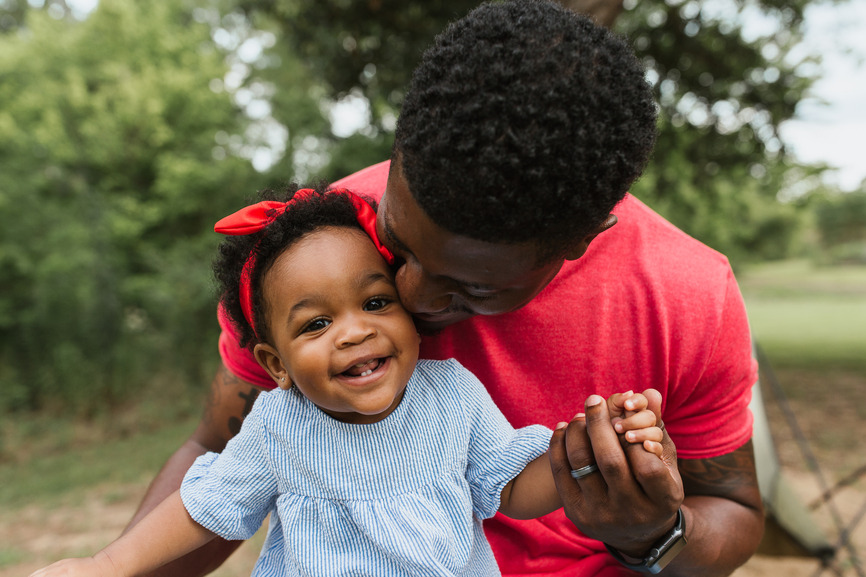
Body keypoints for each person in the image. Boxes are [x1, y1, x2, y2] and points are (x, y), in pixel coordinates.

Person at [125, 1, 764, 576]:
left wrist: (650, 532)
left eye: (471, 288)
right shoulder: (309, 258)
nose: (415, 296)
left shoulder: (687, 296)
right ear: (402, 151)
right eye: (396, 246)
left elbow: (733, 510)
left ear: (582, 239)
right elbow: (217, 458)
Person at [32, 187, 664, 577]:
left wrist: (586, 451)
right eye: (316, 323)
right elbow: (206, 508)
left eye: (376, 303)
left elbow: (510, 490)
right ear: (276, 366)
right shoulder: (280, 425)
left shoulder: (452, 396)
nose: (354, 332)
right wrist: (107, 564)